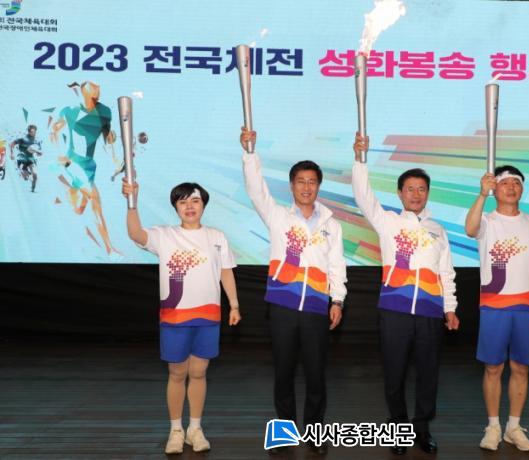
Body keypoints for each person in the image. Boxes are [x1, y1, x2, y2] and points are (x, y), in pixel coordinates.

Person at [240, 128, 347, 455]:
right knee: (284, 374)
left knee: (316, 375)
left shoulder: (331, 225)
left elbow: (336, 265)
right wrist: (250, 153)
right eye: (300, 181)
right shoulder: (278, 216)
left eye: (312, 182)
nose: (306, 187)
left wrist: (337, 299)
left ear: (318, 186)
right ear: (291, 186)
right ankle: (284, 434)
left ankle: (315, 434)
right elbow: (256, 190)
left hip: (316, 307)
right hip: (282, 306)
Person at [351, 134, 459, 455]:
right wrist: (360, 160)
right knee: (394, 373)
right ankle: (397, 427)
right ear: (400, 193)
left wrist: (450, 308)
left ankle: (422, 428)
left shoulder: (438, 230)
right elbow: (363, 196)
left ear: (428, 194)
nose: (415, 194)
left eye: (421, 189)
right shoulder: (388, 222)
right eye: (410, 189)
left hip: (430, 311)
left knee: (428, 374)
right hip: (394, 310)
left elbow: (446, 272)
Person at [122, 180, 242, 454]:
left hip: (208, 316)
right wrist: (132, 203)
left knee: (199, 372)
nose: (190, 206)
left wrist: (234, 305)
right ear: (175, 207)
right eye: (183, 202)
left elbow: (225, 272)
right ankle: (175, 430)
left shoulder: (217, 237)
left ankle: (195, 429)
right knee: (177, 373)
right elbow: (136, 234)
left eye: (195, 201)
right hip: (175, 318)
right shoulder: (164, 235)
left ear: (204, 205)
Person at [464, 166, 529, 452]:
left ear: (522, 189)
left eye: (517, 183)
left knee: (521, 367)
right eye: (505, 183)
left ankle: (513, 427)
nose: (512, 187)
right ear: (496, 189)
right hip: (495, 305)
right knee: (493, 367)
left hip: (527, 305)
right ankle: (493, 426)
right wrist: (481, 195)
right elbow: (469, 229)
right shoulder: (487, 221)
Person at [50, 81, 120, 256]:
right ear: (84, 93)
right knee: (95, 199)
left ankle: (66, 193)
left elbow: (107, 136)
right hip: (73, 163)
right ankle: (110, 249)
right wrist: (60, 154)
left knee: (79, 209)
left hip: (89, 164)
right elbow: (54, 131)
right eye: (93, 95)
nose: (96, 98)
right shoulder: (71, 111)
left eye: (98, 94)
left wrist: (113, 150)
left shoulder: (105, 112)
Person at [10, 124, 42, 192]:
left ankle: (33, 187)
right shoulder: (23, 139)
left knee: (35, 174)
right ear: (29, 131)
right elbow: (12, 144)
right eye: (32, 131)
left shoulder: (36, 141)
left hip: (30, 159)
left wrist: (39, 153)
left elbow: (39, 151)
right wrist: (11, 154)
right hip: (22, 158)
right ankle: (24, 173)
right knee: (25, 177)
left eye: (34, 131)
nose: (33, 133)